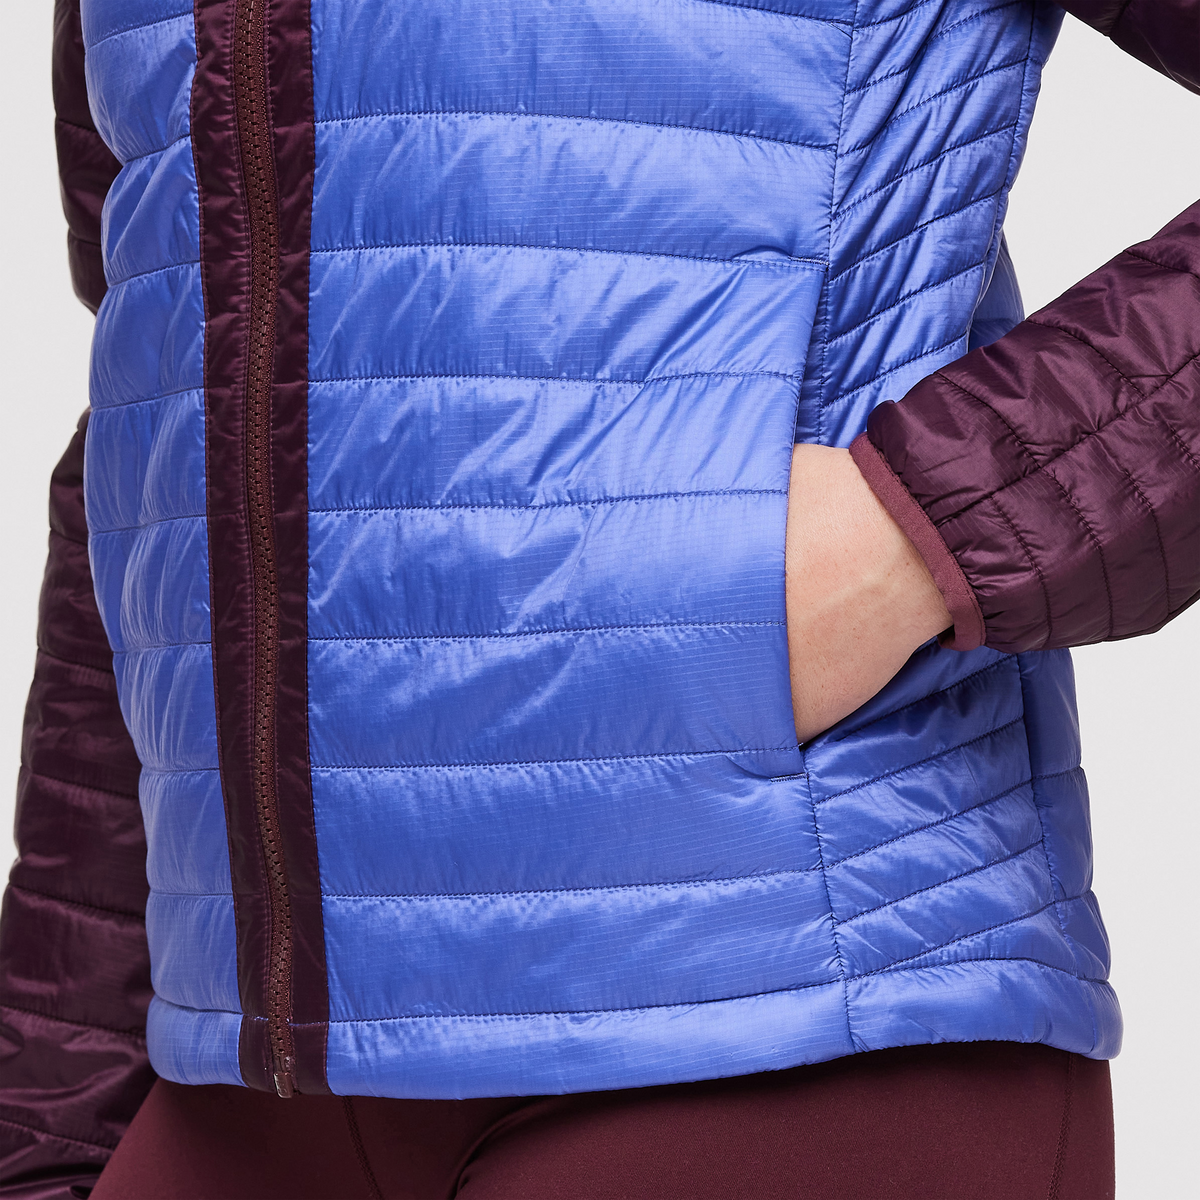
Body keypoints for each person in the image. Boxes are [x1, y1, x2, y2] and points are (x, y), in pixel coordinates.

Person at [1, 0, 1197, 1195]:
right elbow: (167, 443)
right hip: (242, 1062)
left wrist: (927, 526)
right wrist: (53, 1126)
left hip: (784, 989)